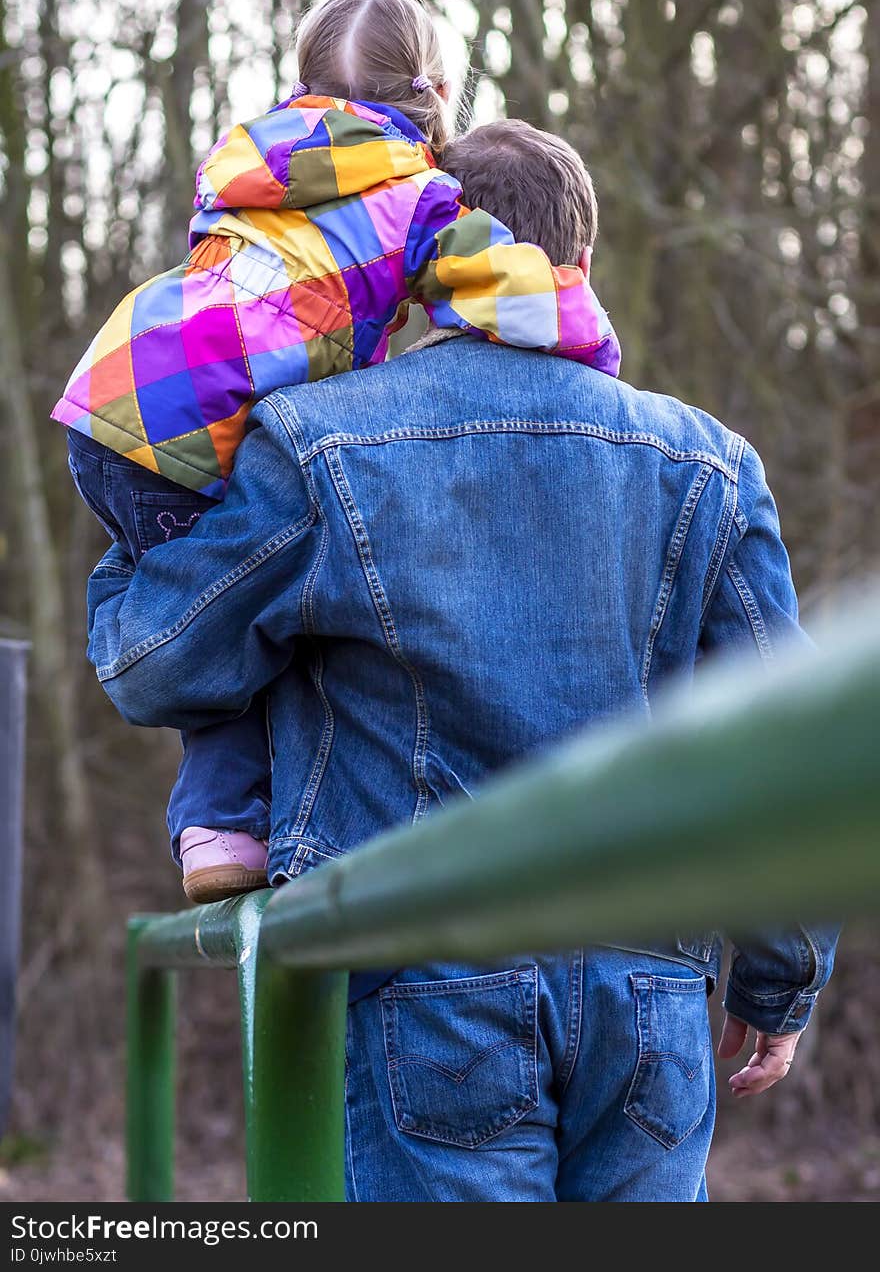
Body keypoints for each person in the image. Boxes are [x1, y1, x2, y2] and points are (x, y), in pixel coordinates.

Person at [84, 116, 836, 1201]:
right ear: (578, 269)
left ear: (420, 267)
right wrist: (779, 977)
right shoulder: (709, 465)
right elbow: (780, 743)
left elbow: (160, 663)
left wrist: (134, 534)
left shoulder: (321, 444)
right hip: (652, 991)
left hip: (429, 990)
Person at [51, 0, 619, 904]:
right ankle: (222, 830)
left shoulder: (256, 162)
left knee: (212, 581)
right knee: (248, 617)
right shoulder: (417, 197)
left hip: (120, 383)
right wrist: (592, 340)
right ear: (434, 92)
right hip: (193, 423)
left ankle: (218, 814)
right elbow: (501, 284)